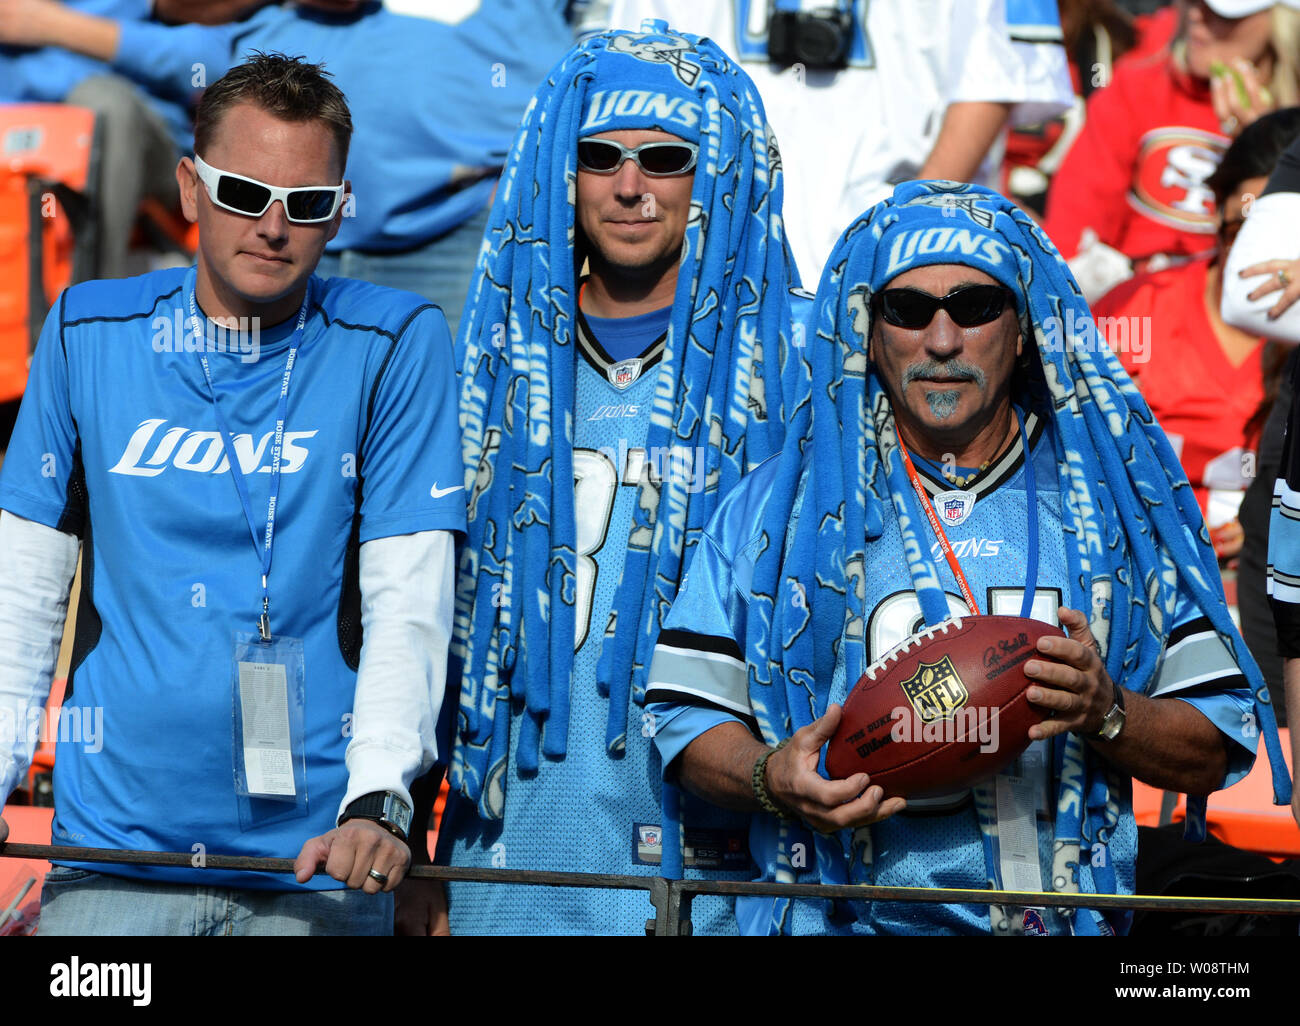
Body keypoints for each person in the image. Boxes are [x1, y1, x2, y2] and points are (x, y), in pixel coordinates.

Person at [647, 180, 1291, 935]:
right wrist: (770, 777)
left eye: (976, 307)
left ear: (1024, 331)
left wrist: (1108, 711)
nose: (943, 339)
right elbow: (688, 716)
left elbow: (1214, 743)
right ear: (869, 332)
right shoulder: (780, 504)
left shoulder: (1112, 505)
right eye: (909, 310)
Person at [0, 54, 466, 935]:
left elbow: (410, 600)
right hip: (114, 855)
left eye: (309, 204)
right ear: (189, 187)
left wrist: (378, 801)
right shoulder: (87, 329)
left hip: (317, 862)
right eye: (245, 194)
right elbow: (21, 590)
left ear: (339, 211)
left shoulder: (395, 341)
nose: (275, 226)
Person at [421, 24, 808, 936]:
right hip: (511, 860)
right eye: (601, 156)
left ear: (715, 173)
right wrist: (416, 836)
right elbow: (435, 625)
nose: (630, 186)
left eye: (666, 159)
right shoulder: (492, 360)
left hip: (718, 869)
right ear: (563, 168)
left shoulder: (799, 356)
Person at [0, 0, 580, 335]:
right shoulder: (261, 19)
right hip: (291, 243)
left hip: (457, 236)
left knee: (448, 435)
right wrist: (48, 24)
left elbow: (590, 79)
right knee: (302, 448)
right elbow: (186, 56)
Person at [581, 0, 1072, 282]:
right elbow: (634, 79)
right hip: (713, 253)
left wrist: (906, 238)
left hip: (896, 249)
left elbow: (990, 84)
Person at [1094, 109, 1300, 718]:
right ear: (1214, 212)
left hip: (1268, 587)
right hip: (1144, 576)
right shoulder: (1135, 316)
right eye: (1247, 226)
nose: (1263, 261)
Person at [1043, 0, 1300, 300]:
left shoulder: (1292, 129)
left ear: (1282, 23)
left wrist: (1266, 155)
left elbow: (1273, 264)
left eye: (1222, 13)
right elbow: (1071, 237)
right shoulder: (1138, 86)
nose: (1197, 15)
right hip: (1131, 315)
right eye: (1194, 1)